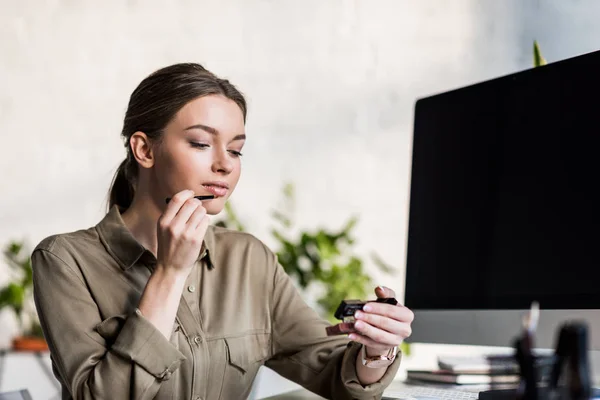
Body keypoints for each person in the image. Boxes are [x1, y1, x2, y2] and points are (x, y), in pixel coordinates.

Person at [31, 63, 414, 400]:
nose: (224, 165)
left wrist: (375, 350)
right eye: (200, 143)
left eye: (235, 150)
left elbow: (335, 373)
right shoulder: (65, 261)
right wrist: (170, 273)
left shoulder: (249, 259)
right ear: (144, 150)